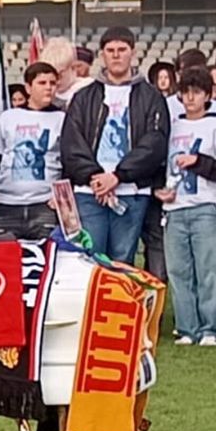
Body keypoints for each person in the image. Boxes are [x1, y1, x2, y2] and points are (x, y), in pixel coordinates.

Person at [61, 25, 169, 263]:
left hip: (132, 192)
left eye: (122, 49)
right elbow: (72, 144)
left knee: (122, 263)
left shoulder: (151, 97)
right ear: (102, 54)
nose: (116, 55)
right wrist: (96, 178)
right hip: (90, 192)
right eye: (110, 50)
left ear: (133, 52)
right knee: (90, 260)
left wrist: (118, 176)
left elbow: (154, 143)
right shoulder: (84, 97)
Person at [158, 66, 216, 346]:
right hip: (174, 207)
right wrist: (159, 190)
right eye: (185, 92)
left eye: (197, 92)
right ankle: (187, 326)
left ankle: (212, 327)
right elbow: (159, 163)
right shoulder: (172, 126)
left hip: (207, 205)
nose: (190, 98)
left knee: (210, 269)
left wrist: (198, 162)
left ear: (208, 95)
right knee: (179, 271)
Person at [0, 61, 66, 239]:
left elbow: (69, 162)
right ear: (28, 88)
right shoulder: (8, 117)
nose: (48, 88)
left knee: (45, 255)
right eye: (42, 83)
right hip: (6, 204)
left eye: (52, 83)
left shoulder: (62, 118)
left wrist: (61, 197)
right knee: (5, 255)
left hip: (45, 205)